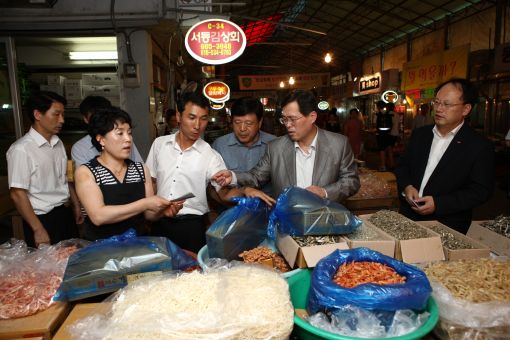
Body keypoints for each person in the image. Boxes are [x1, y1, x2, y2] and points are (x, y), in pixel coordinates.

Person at [213, 90, 360, 203]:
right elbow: (256, 176)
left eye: (293, 119)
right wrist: (232, 176)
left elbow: (351, 182)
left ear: (312, 117)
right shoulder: (275, 147)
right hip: (286, 223)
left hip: (326, 220)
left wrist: (325, 192)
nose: (288, 125)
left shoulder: (338, 144)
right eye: (285, 119)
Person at [395, 78, 495, 234]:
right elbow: (402, 166)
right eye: (436, 102)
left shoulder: (479, 146)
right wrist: (407, 186)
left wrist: (439, 204)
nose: (439, 109)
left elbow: (480, 191)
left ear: (466, 109)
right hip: (408, 218)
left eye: (447, 104)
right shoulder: (420, 135)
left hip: (447, 226)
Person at [145, 91, 239, 253]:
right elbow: (151, 182)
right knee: (160, 274)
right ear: (179, 116)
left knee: (193, 273)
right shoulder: (159, 145)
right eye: (192, 117)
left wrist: (243, 189)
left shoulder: (210, 154)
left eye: (203, 119)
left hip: (192, 226)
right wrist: (149, 215)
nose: (198, 125)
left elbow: (223, 193)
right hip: (160, 221)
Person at [74, 107, 182, 241]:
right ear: (101, 139)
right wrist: (145, 203)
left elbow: (148, 215)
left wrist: (161, 212)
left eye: (129, 133)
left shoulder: (140, 169)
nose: (128, 139)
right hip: (102, 249)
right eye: (120, 133)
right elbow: (98, 216)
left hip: (138, 246)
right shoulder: (86, 172)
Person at [7, 91, 80, 247]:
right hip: (41, 218)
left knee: (73, 262)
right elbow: (17, 194)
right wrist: (38, 229)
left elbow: (65, 177)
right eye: (56, 114)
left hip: (64, 213)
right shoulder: (21, 149)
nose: (62, 120)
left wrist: (76, 204)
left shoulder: (58, 142)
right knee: (47, 269)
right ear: (38, 114)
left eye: (63, 115)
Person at [212, 97, 276, 195]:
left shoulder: (274, 144)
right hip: (229, 206)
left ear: (260, 123)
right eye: (237, 122)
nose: (242, 128)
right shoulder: (220, 145)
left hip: (269, 207)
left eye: (248, 123)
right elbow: (213, 187)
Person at [71, 96, 144, 167]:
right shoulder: (80, 148)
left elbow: (140, 167)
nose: (127, 138)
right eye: (96, 118)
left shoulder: (126, 141)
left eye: (129, 132)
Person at [375, 100, 395, 171]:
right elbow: (392, 124)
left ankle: (383, 166)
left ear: (378, 106)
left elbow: (375, 124)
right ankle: (392, 164)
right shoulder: (389, 113)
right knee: (389, 149)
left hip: (381, 135)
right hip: (389, 134)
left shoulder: (377, 114)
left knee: (382, 150)